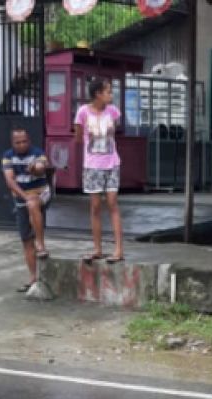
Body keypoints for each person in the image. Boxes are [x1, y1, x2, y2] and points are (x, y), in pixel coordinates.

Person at [74, 77, 125, 264]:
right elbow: (78, 137)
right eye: (108, 92)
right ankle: (98, 248)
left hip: (112, 162)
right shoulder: (82, 113)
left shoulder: (113, 111)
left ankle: (119, 249)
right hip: (92, 164)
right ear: (98, 94)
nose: (111, 95)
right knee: (95, 206)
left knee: (112, 202)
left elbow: (115, 130)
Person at [1, 127, 51, 292]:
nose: (22, 145)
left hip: (40, 192)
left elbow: (42, 166)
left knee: (33, 204)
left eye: (24, 141)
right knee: (25, 240)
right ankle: (33, 278)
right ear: (12, 143)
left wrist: (35, 169)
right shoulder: (8, 157)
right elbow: (10, 181)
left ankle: (41, 244)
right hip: (22, 196)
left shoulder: (37, 152)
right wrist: (24, 195)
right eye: (18, 142)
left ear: (29, 140)